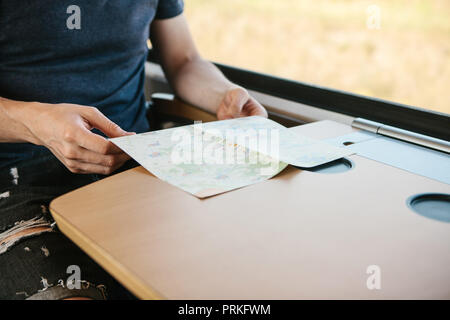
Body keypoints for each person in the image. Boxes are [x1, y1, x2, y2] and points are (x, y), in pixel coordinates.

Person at [0, 0, 267, 300]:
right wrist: (37, 123)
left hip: (138, 167)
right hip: (17, 179)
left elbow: (184, 60)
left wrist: (224, 96)